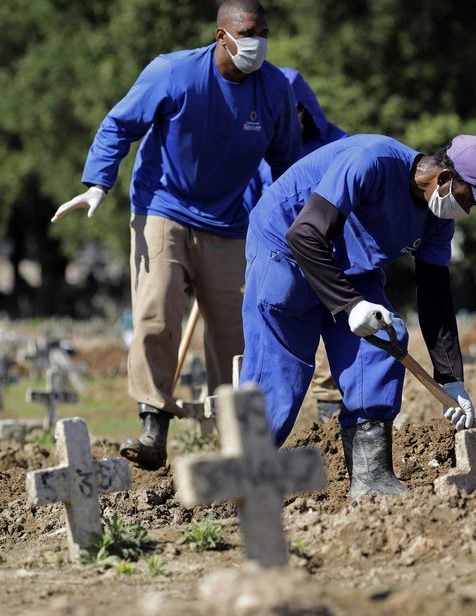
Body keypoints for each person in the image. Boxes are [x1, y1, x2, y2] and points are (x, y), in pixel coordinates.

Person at [51, 0, 301, 471]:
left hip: (229, 221)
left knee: (237, 332)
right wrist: (97, 183)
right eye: (248, 32)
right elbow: (118, 125)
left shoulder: (274, 90)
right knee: (156, 311)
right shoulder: (174, 73)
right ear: (221, 35)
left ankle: (237, 436)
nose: (257, 43)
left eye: (264, 32)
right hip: (163, 206)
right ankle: (153, 425)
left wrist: (294, 221)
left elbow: (288, 163)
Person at [241, 133, 476, 498]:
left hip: (350, 262)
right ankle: (244, 472)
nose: (471, 209)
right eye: (472, 198)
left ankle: (371, 479)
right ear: (446, 178)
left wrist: (451, 378)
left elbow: (435, 296)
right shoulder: (371, 161)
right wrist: (351, 306)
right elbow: (304, 234)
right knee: (281, 364)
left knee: (386, 338)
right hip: (285, 245)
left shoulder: (437, 220)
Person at [248, 67, 350, 423]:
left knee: (334, 336)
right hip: (276, 254)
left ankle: (330, 417)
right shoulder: (262, 148)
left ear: (303, 107)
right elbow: (250, 197)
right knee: (268, 345)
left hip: (329, 254)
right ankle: (252, 439)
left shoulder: (339, 145)